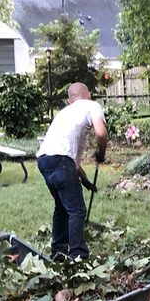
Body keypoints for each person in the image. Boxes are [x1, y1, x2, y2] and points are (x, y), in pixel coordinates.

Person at [36, 82, 108, 261]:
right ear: (89, 95)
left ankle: (58, 252)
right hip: (60, 161)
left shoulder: (65, 113)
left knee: (62, 207)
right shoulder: (92, 105)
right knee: (77, 210)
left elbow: (71, 164)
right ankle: (78, 256)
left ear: (70, 100)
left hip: (44, 161)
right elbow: (101, 134)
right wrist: (101, 153)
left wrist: (84, 181)